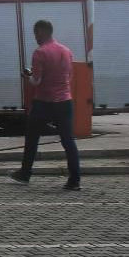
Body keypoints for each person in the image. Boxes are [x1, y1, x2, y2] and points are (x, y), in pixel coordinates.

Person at [10, 20, 81, 190]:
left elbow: (36, 81)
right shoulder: (67, 51)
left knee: (32, 138)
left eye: (36, 33)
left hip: (44, 102)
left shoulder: (40, 53)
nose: (35, 37)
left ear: (42, 32)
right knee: (68, 140)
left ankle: (25, 173)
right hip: (65, 101)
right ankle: (75, 180)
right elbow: (69, 76)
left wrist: (27, 77)